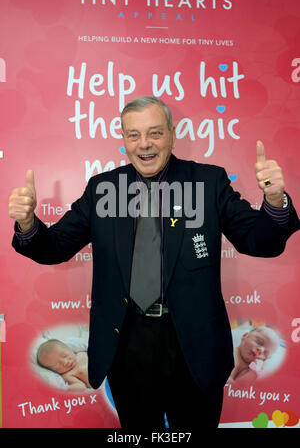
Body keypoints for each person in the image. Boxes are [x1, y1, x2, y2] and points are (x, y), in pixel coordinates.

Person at [9, 96, 299, 430]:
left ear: (172, 135)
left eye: (154, 133)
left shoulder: (208, 183)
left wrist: (275, 201)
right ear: (124, 140)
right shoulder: (103, 188)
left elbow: (258, 241)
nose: (144, 144)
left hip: (193, 344)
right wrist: (28, 224)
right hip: (127, 342)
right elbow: (55, 247)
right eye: (133, 135)